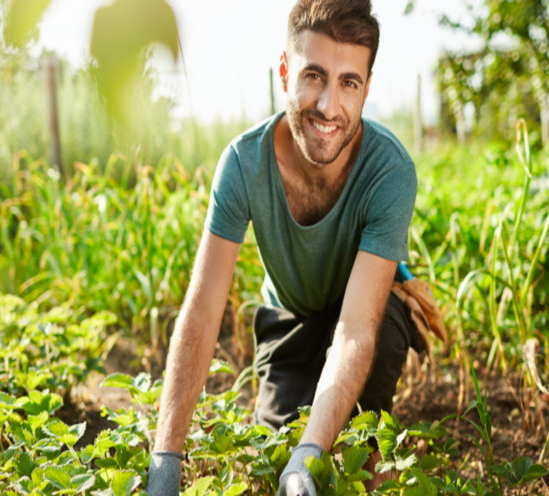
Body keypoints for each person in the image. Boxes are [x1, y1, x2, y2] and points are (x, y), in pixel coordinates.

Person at [145, 1, 440, 494]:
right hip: (290, 322)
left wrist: (311, 452)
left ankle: (366, 454)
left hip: (359, 316)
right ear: (285, 72)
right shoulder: (243, 163)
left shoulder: (390, 171)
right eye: (314, 75)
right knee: (274, 455)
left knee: (375, 350)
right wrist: (166, 458)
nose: (328, 105)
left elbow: (354, 331)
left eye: (349, 82)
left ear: (366, 89)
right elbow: (201, 312)